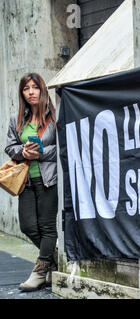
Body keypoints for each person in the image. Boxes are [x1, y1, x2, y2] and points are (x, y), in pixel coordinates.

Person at [4, 73, 58, 292]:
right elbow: (10, 147)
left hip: (48, 178)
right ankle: (53, 259)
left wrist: (41, 153)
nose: (31, 92)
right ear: (22, 93)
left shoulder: (55, 117)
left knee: (46, 226)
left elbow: (64, 146)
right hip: (25, 179)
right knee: (27, 225)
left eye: (35, 87)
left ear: (42, 89)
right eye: (26, 89)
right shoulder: (17, 119)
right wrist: (23, 151)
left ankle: (39, 272)